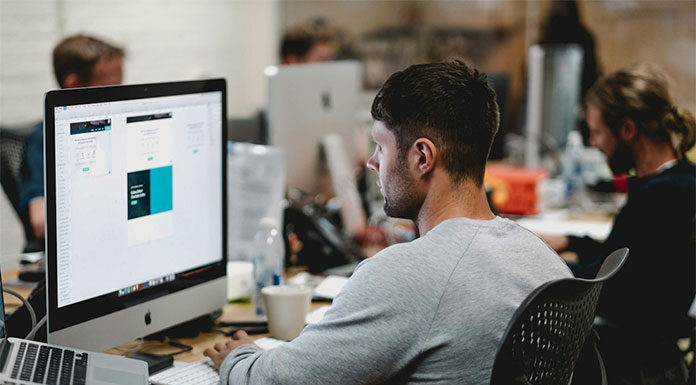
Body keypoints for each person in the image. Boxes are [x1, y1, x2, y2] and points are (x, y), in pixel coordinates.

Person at [204, 60, 572, 384]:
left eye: (380, 147)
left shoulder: (406, 276)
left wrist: (238, 358)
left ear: (422, 157)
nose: (372, 163)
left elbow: (277, 381)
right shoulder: (542, 259)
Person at [541, 64, 695, 384]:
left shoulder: (660, 197)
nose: (595, 145)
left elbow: (606, 281)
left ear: (627, 130)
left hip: (633, 358)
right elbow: (630, 254)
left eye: (597, 133)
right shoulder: (680, 181)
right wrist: (571, 242)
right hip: (653, 348)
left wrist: (539, 264)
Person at [19, 34, 124, 243]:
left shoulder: (117, 128)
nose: (120, 97)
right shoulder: (44, 141)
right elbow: (40, 223)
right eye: (110, 88)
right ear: (74, 85)